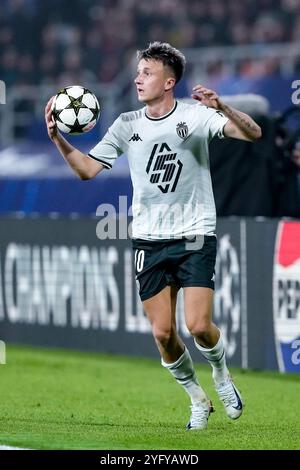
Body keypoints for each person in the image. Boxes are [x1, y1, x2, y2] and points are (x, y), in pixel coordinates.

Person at [45, 41, 262, 430]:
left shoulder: (197, 116)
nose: (138, 79)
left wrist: (223, 107)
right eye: (138, 72)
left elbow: (254, 133)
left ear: (169, 81)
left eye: (146, 72)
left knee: (198, 326)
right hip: (149, 239)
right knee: (163, 334)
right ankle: (197, 398)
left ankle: (221, 374)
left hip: (195, 232)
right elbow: (87, 171)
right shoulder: (126, 124)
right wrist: (59, 140)